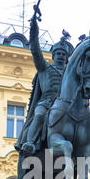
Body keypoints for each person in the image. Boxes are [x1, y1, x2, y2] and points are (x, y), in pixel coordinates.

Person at [15, 16, 74, 156]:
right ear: (53, 56)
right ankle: (30, 142)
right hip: (46, 102)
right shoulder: (45, 67)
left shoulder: (69, 72)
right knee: (40, 114)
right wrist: (34, 29)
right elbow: (35, 50)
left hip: (64, 105)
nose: (60, 56)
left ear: (66, 57)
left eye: (63, 54)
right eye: (58, 53)